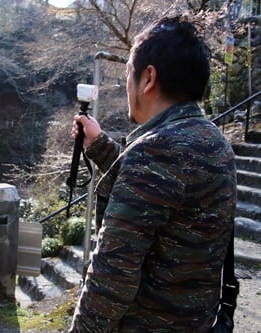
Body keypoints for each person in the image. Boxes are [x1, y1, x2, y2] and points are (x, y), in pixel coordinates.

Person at [68, 15, 237, 332]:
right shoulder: (215, 142)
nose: (127, 85)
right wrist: (101, 147)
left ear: (148, 78)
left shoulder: (155, 151)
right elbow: (162, 196)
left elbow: (112, 276)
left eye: (128, 73)